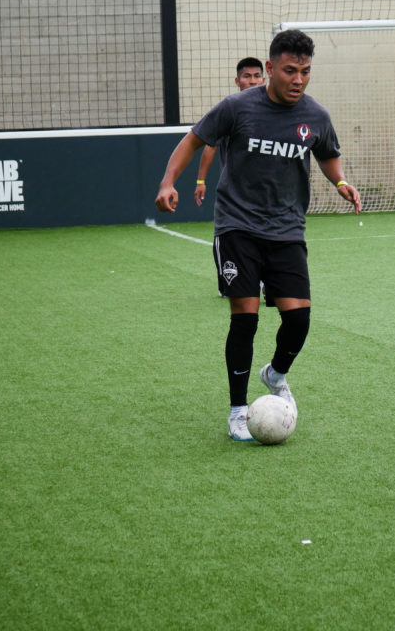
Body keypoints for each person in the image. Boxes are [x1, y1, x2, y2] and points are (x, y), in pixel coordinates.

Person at [155, 29, 361, 441]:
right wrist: (167, 182)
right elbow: (193, 141)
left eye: (305, 71)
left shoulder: (316, 116)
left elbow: (328, 154)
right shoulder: (237, 107)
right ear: (270, 68)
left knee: (298, 319)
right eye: (290, 71)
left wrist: (340, 181)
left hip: (287, 230)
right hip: (237, 227)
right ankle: (237, 411)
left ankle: (275, 374)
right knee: (245, 318)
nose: (298, 79)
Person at [194, 57, 264, 206]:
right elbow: (210, 146)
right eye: (247, 76)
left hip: (265, 192)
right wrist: (201, 181)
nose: (252, 81)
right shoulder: (229, 111)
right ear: (237, 81)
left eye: (257, 76)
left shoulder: (274, 112)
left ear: (263, 80)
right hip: (234, 193)